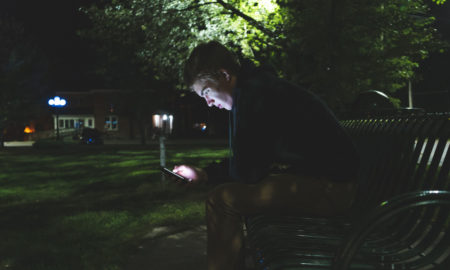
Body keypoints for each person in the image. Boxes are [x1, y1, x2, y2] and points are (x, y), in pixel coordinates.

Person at [172, 41, 360, 270]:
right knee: (225, 196)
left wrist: (212, 174)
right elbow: (251, 162)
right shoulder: (256, 89)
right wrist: (203, 173)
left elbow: (246, 171)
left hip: (332, 191)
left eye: (207, 92)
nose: (209, 103)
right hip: (322, 183)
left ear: (224, 74)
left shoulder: (255, 95)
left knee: (221, 201)